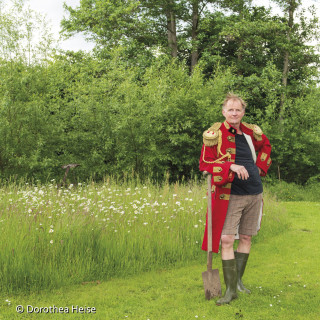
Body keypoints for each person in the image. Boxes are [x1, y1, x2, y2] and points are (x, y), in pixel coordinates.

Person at [199, 93, 272, 305]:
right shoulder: (214, 134)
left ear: (243, 112)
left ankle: (238, 282)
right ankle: (230, 291)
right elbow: (205, 163)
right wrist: (230, 165)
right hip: (230, 195)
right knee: (227, 239)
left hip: (254, 192)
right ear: (223, 111)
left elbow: (266, 147)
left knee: (247, 238)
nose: (234, 113)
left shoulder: (251, 132)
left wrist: (259, 168)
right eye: (230, 109)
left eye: (238, 110)